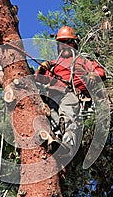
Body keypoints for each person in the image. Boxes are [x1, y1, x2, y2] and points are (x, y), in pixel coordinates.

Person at [35, 26, 106, 156]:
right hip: (53, 95)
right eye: (61, 43)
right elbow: (38, 80)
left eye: (67, 42)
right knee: (53, 119)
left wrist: (92, 75)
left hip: (71, 93)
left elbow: (101, 73)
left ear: (73, 43)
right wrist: (41, 70)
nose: (64, 46)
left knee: (68, 117)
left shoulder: (83, 61)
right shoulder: (54, 64)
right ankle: (53, 140)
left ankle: (67, 145)